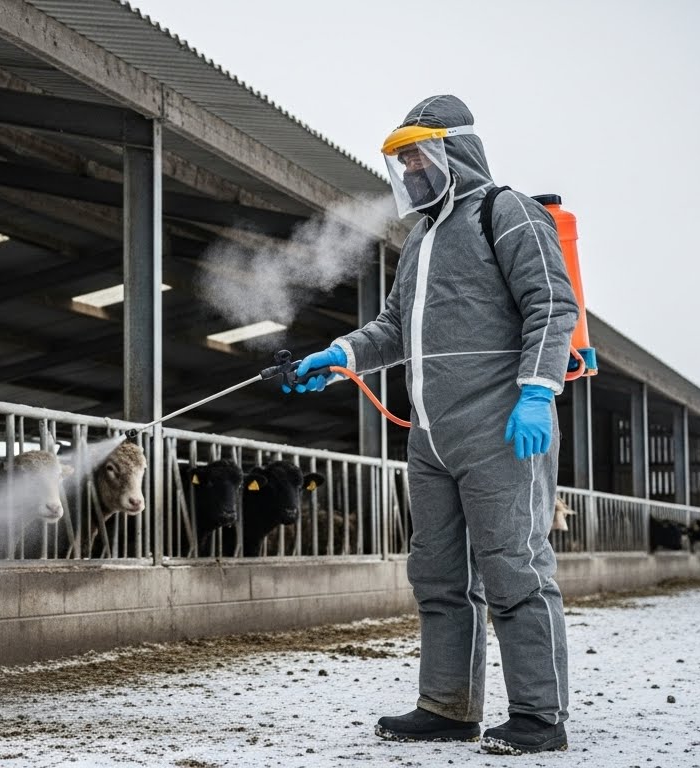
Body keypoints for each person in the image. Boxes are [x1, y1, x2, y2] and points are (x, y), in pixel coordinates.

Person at [284, 95, 578, 755]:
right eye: (403, 159)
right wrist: (340, 355)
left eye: (418, 153)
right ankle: (447, 706)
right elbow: (395, 327)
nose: (411, 168)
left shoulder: (506, 211)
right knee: (437, 575)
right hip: (431, 437)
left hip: (501, 427)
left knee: (515, 570)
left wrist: (536, 392)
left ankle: (539, 716)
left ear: (454, 150)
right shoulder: (420, 239)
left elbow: (552, 304)